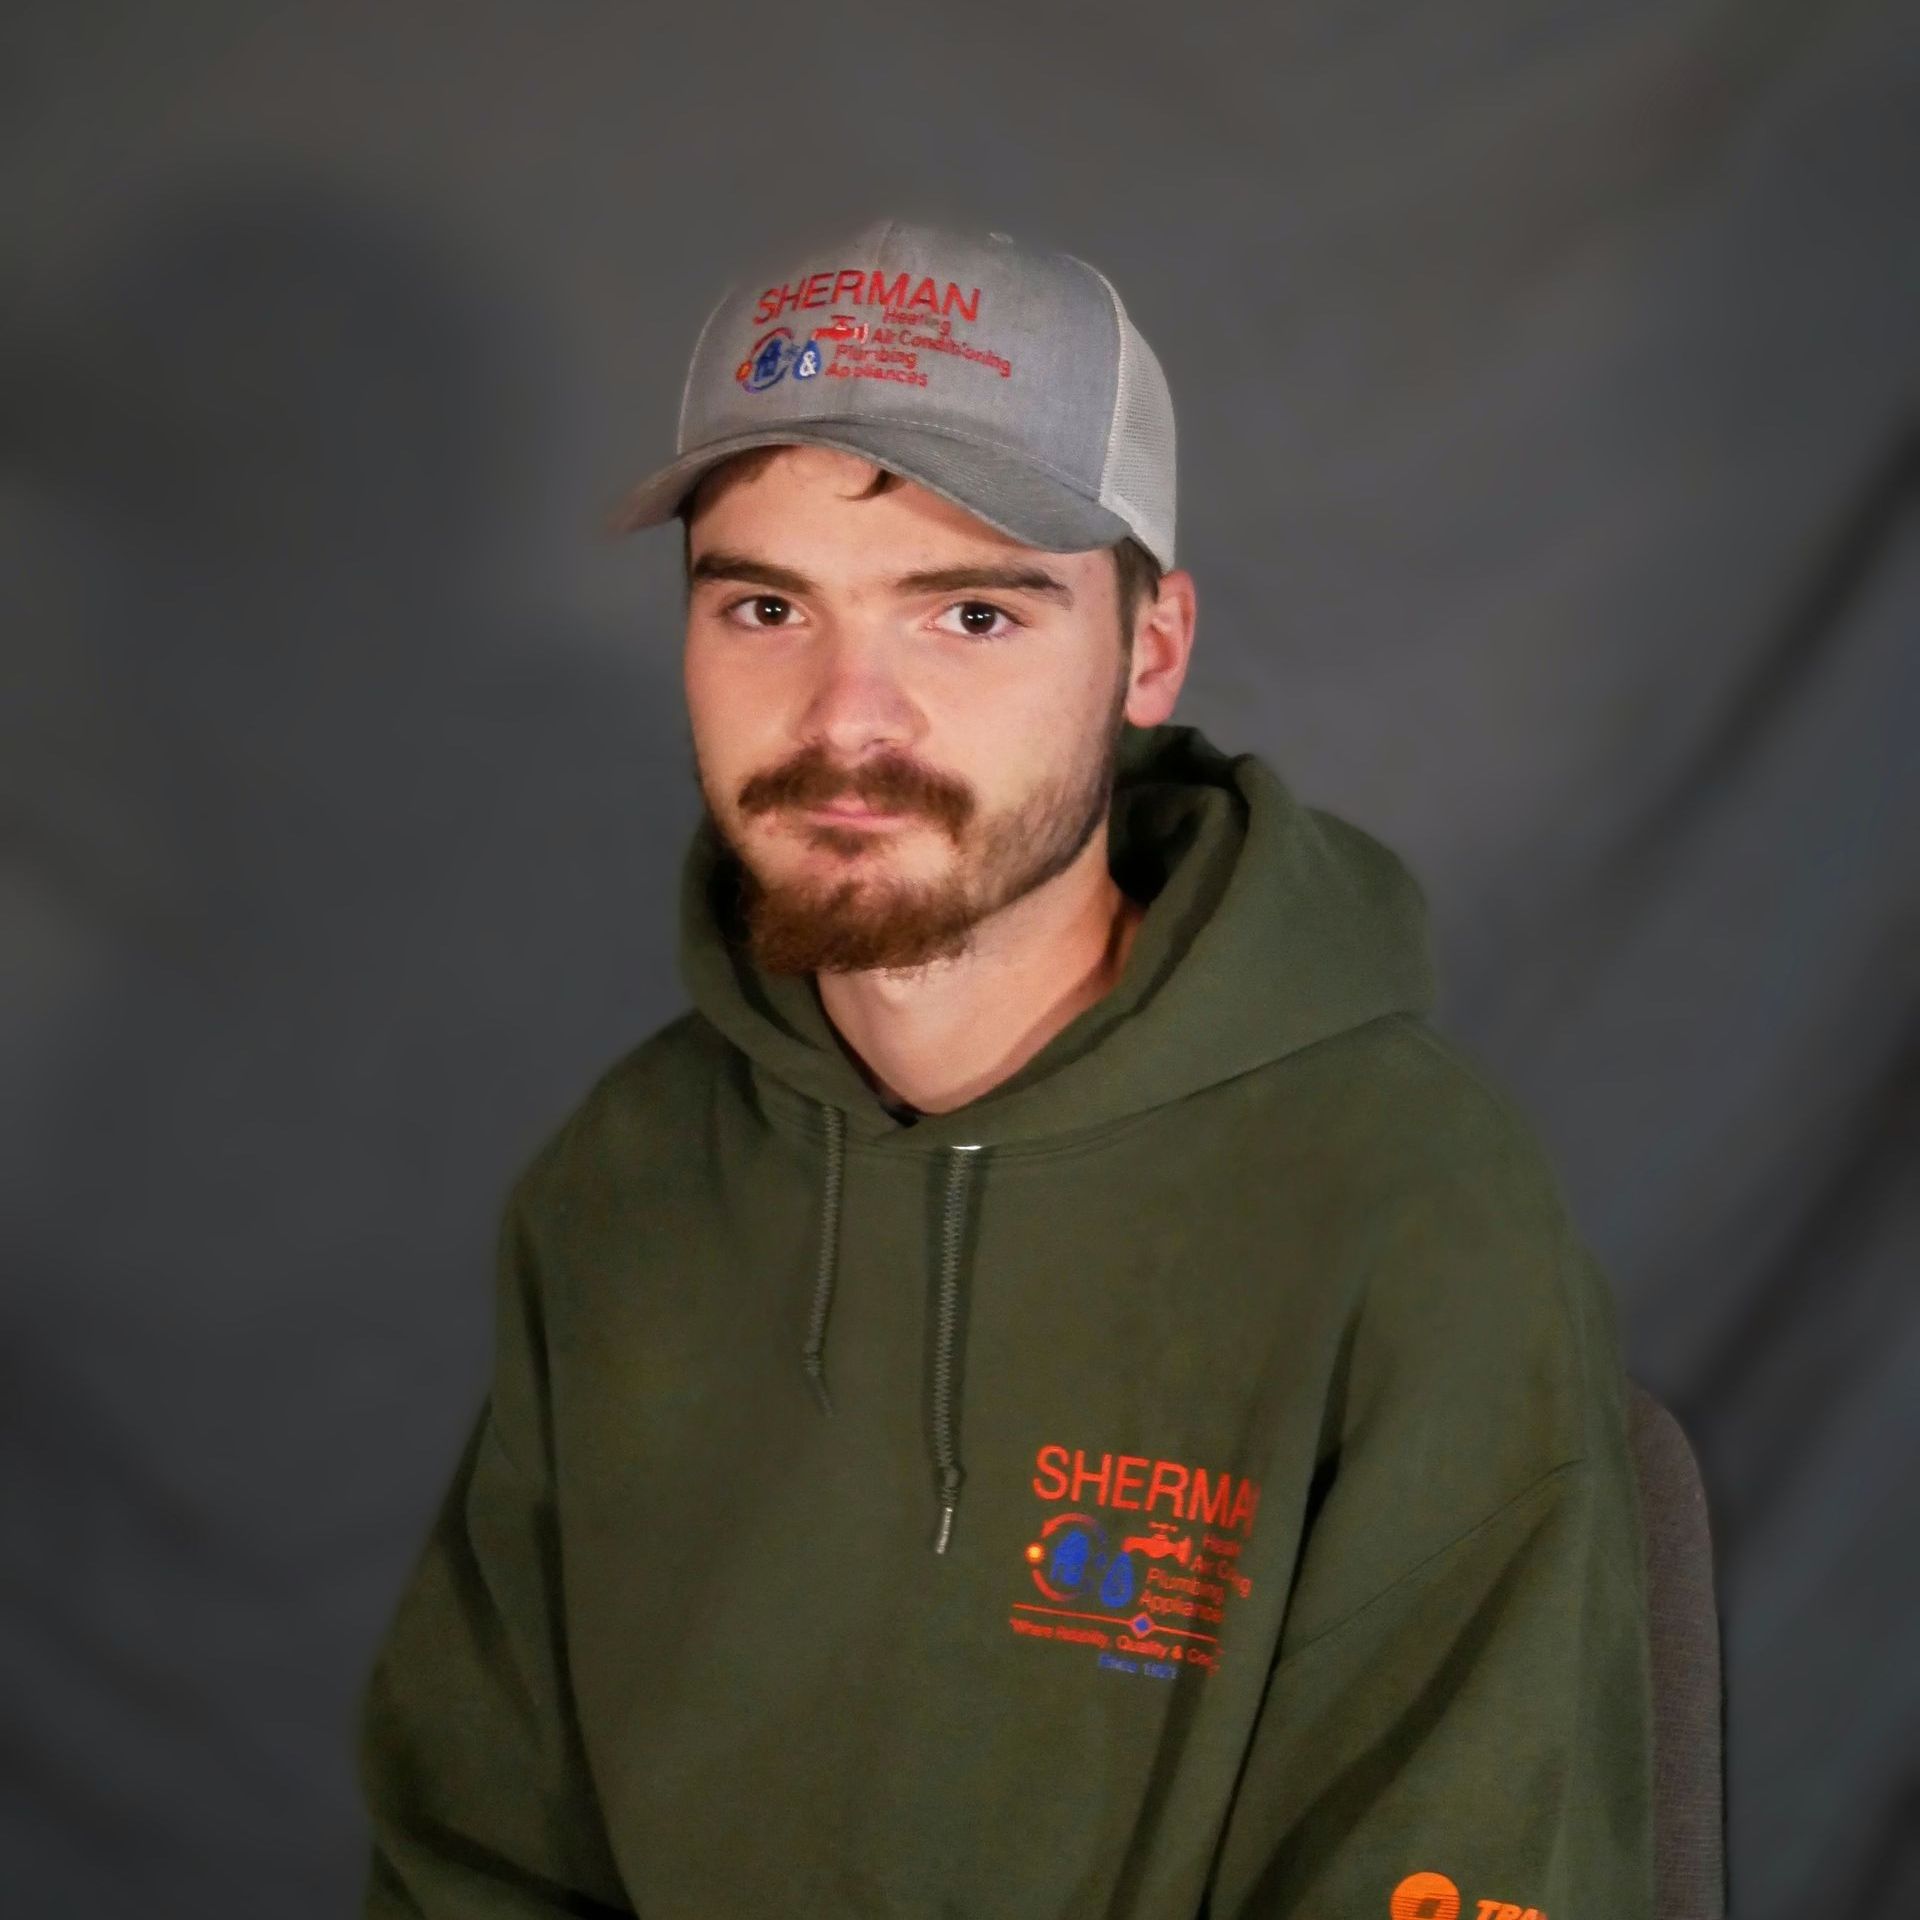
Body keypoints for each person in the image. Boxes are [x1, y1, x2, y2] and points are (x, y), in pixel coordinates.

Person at [358, 219, 1654, 1919]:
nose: (848, 717)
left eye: (970, 610)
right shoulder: (622, 1184)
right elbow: (474, 1861)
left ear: (1151, 648)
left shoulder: (1410, 1205)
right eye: (765, 604)